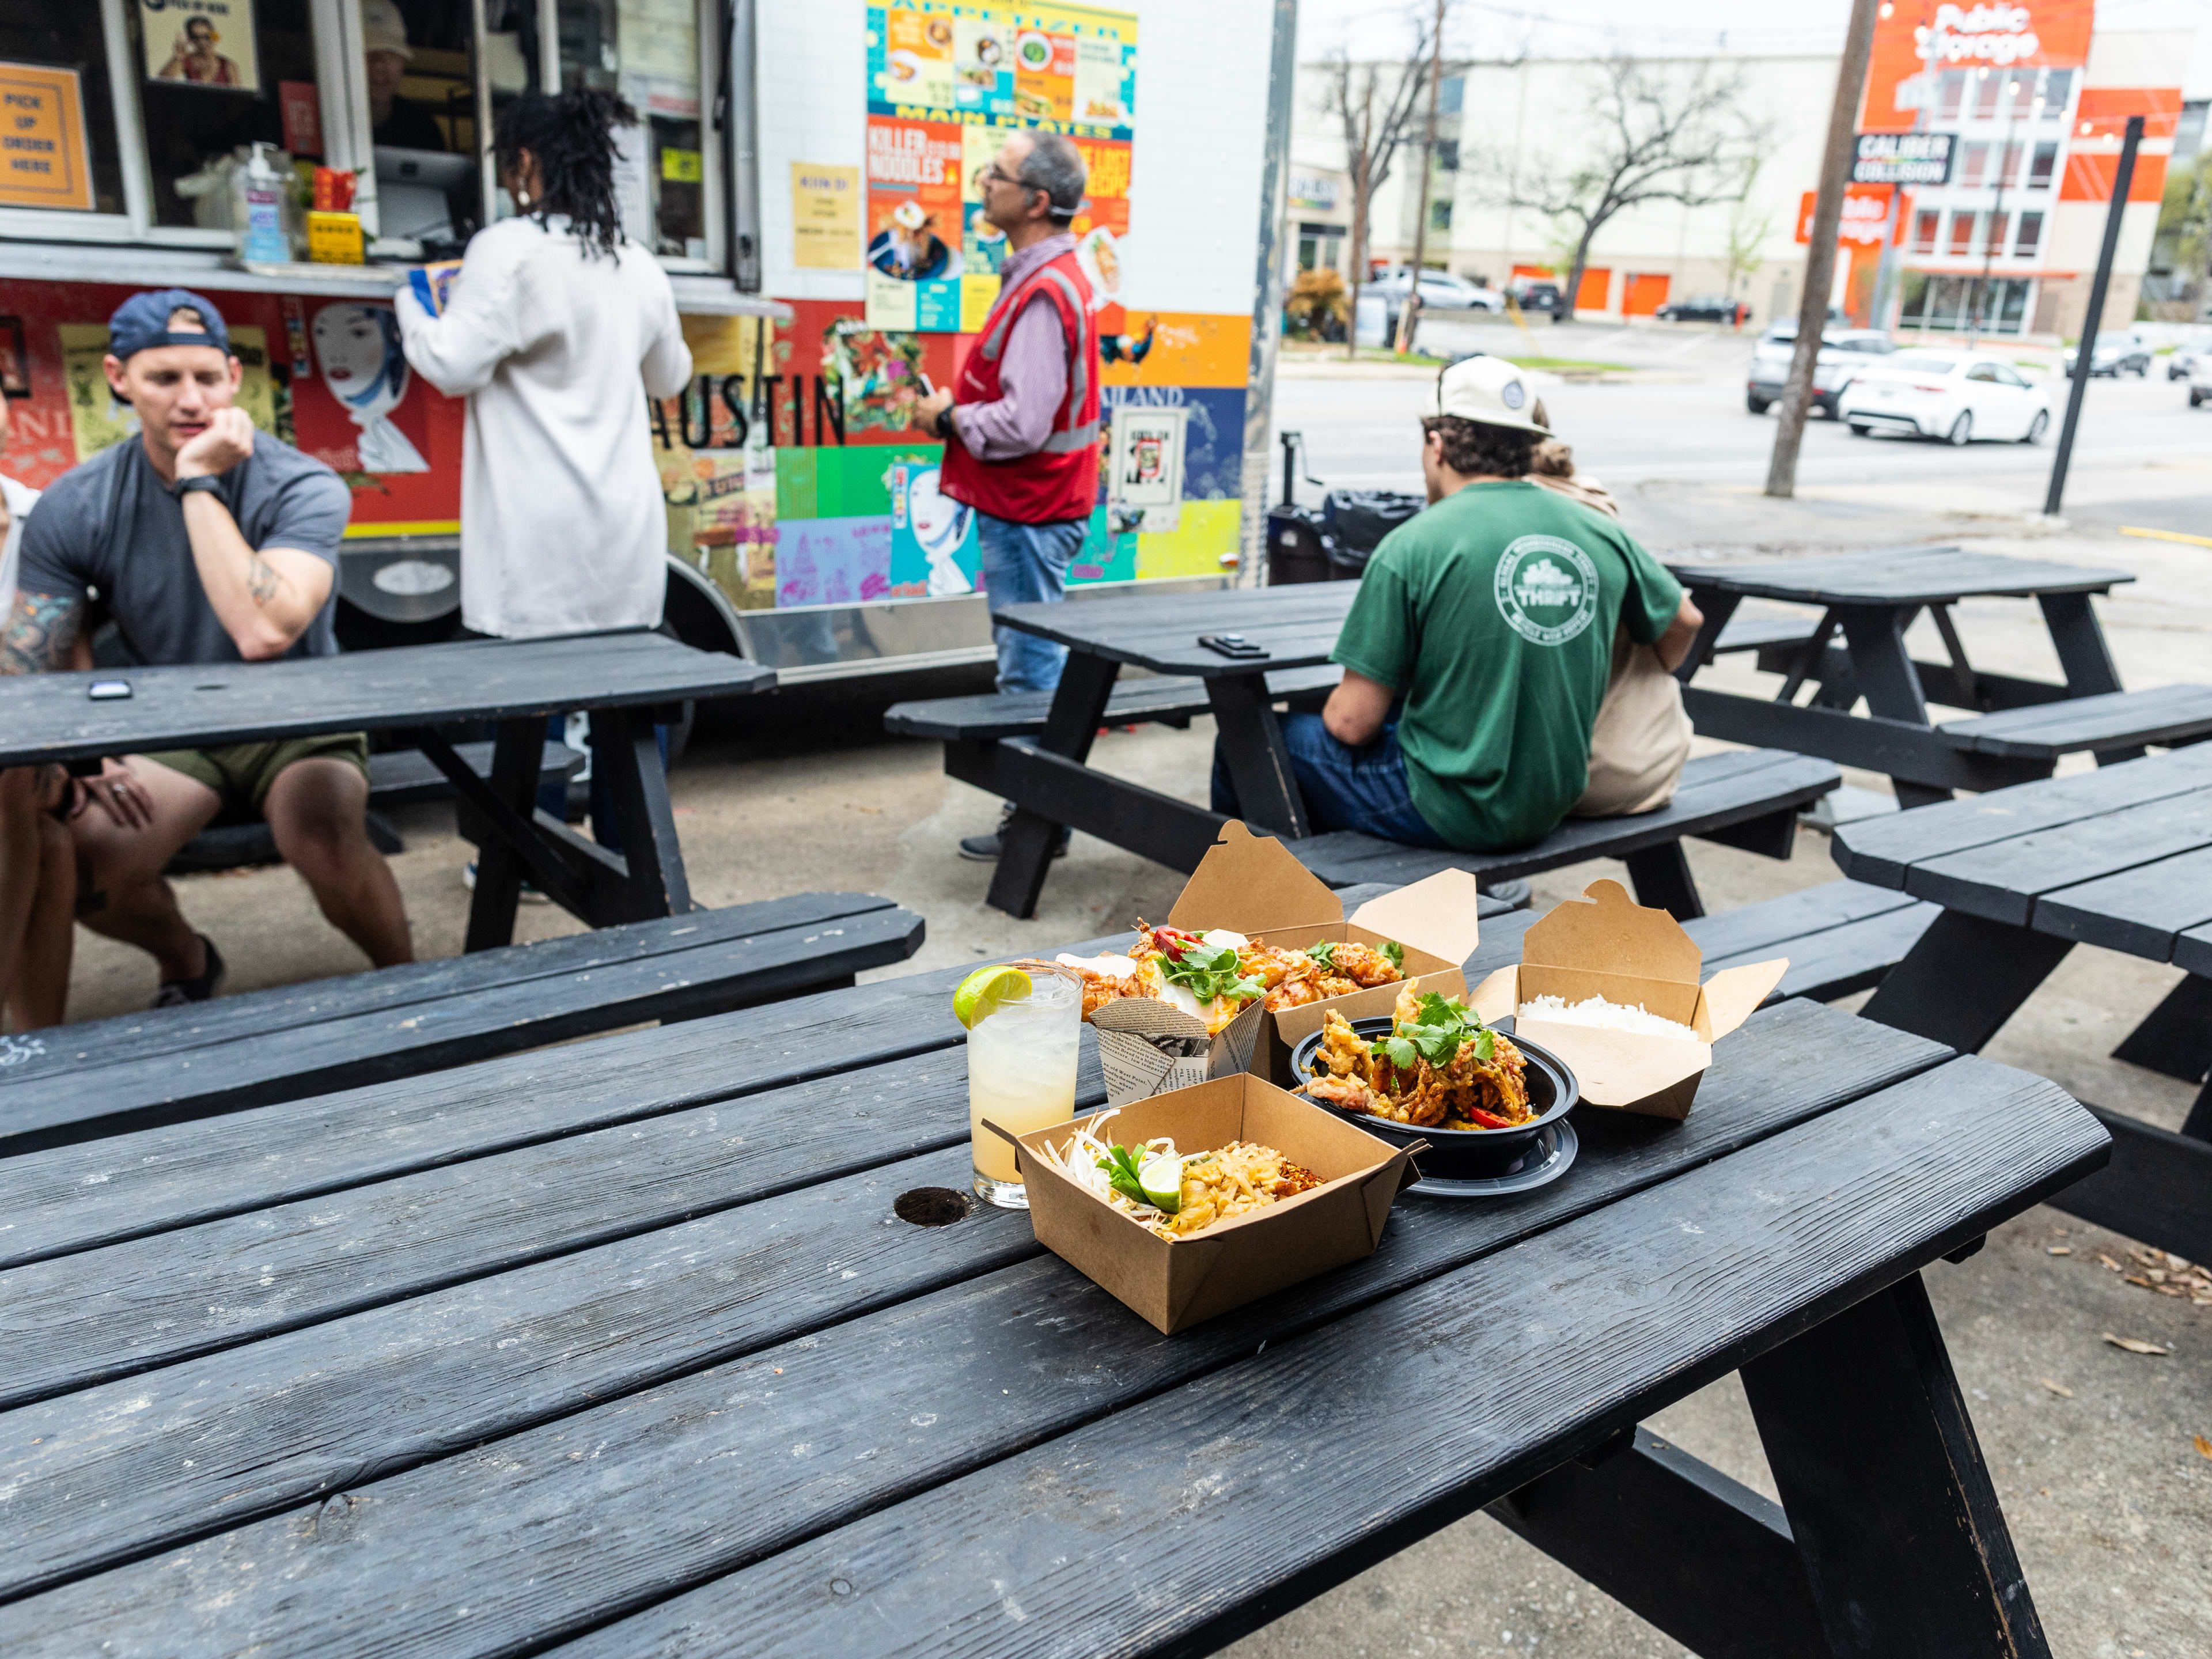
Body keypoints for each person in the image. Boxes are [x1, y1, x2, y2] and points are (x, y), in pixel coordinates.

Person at [2, 290, 415, 1007]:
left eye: (207, 378)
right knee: (76, 859)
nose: (190, 399)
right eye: (164, 379)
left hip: (299, 714)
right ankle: (188, 959)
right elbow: (32, 657)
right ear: (119, 379)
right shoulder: (77, 502)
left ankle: (413, 985)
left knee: (320, 833)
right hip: (174, 732)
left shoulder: (302, 482)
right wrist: (86, 751)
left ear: (233, 377)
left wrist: (197, 482)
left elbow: (266, 630)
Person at [1211, 355, 1703, 852]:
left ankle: (1243, 916)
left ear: (1436, 445)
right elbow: (1685, 621)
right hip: (1551, 800)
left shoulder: (1415, 544)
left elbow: (1350, 724)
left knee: (1248, 746)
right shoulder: (1597, 528)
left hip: (1446, 807)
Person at [396, 88, 691, 857]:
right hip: (624, 523)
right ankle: (634, 856)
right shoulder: (637, 262)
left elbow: (452, 363)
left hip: (535, 528)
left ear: (524, 162)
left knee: (534, 710)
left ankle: (530, 860)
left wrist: (409, 302)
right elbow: (670, 377)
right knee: (630, 700)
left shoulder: (508, 247)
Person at [911, 130, 1100, 862]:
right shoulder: (1045, 276)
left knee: (1028, 672)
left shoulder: (1045, 289)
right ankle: (1039, 821)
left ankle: (1036, 830)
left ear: (1037, 201)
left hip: (1029, 506)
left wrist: (949, 417)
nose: (984, 183)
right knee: (1031, 663)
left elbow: (1025, 422)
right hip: (1034, 504)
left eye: (999, 175)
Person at [1525, 401, 1695, 819]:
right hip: (1652, 761)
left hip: (1573, 775)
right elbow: (1685, 620)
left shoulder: (1511, 516)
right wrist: (1648, 665)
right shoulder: (1594, 506)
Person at [0, 392, 74, 1030]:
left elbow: (67, 646)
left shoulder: (38, 513)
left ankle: (30, 1055)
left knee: (43, 828)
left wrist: (79, 752)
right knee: (19, 802)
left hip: (24, 750)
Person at [363, 0, 448, 151]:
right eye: (370, 55)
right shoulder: (329, 121)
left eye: (392, 55)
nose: (380, 66)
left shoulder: (423, 129)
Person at [156, 17, 243, 87]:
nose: (202, 42)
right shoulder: (187, 60)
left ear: (214, 36)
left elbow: (237, 98)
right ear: (190, 40)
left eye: (206, 36)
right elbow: (161, 83)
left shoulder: (228, 66)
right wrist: (178, 58)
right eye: (196, 37)